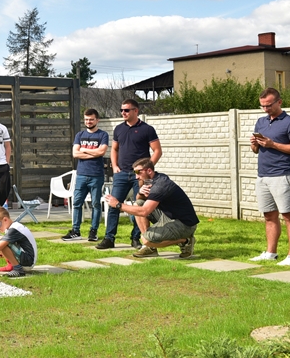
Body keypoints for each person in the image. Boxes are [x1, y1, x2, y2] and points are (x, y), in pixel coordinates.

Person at [96, 98, 162, 250]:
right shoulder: (119, 129)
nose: (123, 113)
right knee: (113, 205)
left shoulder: (147, 129)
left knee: (140, 206)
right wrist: (115, 166)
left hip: (139, 176)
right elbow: (114, 149)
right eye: (121, 110)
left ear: (136, 111)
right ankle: (109, 238)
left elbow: (157, 151)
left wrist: (144, 171)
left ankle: (136, 238)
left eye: (126, 110)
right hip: (121, 174)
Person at [105, 158, 199, 258]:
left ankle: (186, 240)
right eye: (134, 172)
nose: (136, 177)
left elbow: (144, 212)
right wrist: (141, 193)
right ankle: (150, 248)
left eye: (138, 172)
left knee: (146, 239)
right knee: (138, 204)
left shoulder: (160, 185)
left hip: (185, 224)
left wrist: (118, 205)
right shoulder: (152, 180)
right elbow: (140, 201)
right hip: (168, 216)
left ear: (149, 171)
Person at [249, 87, 290, 265]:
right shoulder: (261, 122)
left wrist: (273, 144)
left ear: (279, 102)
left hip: (282, 174)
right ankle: (271, 253)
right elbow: (255, 151)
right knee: (269, 216)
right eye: (262, 106)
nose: (266, 109)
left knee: (288, 215)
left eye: (269, 105)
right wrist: (254, 144)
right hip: (263, 175)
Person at [63, 109, 109, 242]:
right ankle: (75, 231)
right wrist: (92, 152)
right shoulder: (80, 135)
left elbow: (101, 152)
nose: (88, 122)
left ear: (97, 120)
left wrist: (83, 149)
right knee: (77, 203)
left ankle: (93, 231)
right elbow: (75, 154)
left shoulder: (103, 135)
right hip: (81, 174)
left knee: (96, 204)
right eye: (86, 119)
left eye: (91, 119)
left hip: (96, 175)